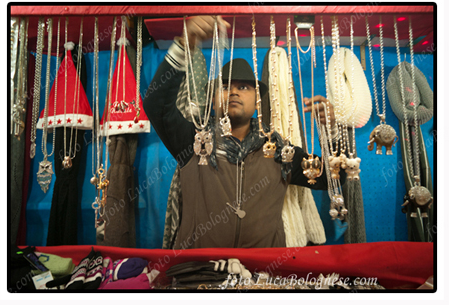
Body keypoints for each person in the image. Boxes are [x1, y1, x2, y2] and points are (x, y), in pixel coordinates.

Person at [143, 16, 343, 249]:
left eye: (244, 87)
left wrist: (331, 132)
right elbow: (156, 105)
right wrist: (184, 45)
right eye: (225, 87)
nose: (233, 92)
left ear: (258, 102)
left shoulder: (279, 150)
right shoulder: (194, 141)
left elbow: (331, 177)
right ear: (214, 100)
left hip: (264, 279)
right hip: (199, 275)